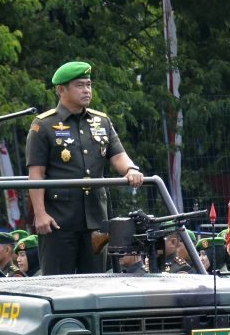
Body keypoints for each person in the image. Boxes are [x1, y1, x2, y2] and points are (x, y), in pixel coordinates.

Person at [25, 61, 144, 275]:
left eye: (88, 84)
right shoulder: (43, 125)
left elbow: (117, 155)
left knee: (96, 280)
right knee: (57, 282)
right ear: (61, 90)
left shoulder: (101, 121)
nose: (87, 90)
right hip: (58, 219)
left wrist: (130, 169)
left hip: (95, 217)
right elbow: (36, 174)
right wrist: (40, 214)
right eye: (79, 85)